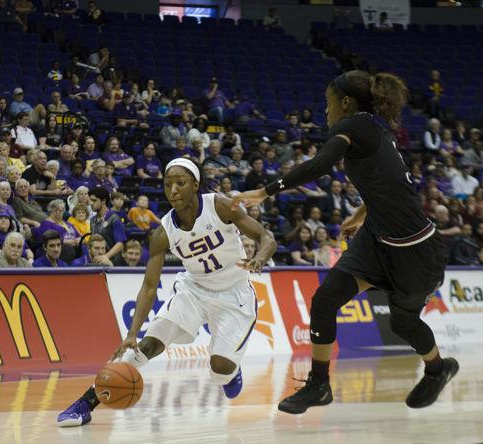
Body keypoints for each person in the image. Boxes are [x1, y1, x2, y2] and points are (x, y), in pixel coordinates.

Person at [232, 70, 458, 414]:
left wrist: (265, 191)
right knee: (324, 301)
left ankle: (438, 369)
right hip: (377, 238)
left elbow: (321, 164)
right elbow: (388, 183)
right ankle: (319, 385)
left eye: (328, 103)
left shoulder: (352, 126)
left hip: (416, 249)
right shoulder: (375, 128)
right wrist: (361, 213)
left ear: (346, 103)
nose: (325, 111)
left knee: (403, 324)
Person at [58, 157, 276, 426]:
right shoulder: (164, 232)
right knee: (147, 345)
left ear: (195, 185)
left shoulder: (219, 205)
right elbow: (149, 286)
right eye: (167, 184)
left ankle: (230, 371)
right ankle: (87, 402)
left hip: (234, 293)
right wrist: (131, 334)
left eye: (180, 183)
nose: (173, 190)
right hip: (193, 291)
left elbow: (267, 238)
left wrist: (260, 259)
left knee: (220, 371)